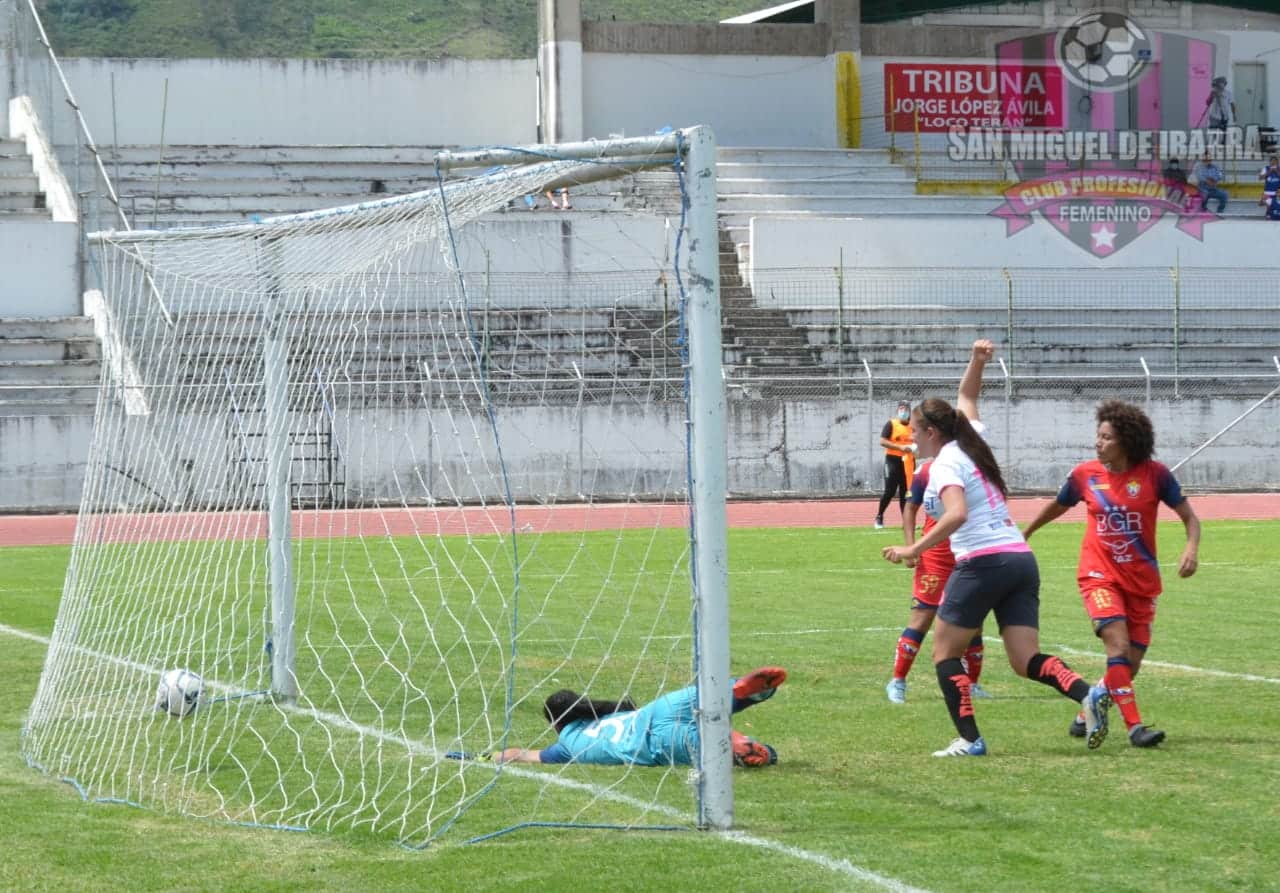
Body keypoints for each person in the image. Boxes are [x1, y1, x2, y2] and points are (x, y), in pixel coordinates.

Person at [882, 340, 1105, 757]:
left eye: (913, 431)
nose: (910, 437)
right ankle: (1087, 693)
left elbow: (956, 515)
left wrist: (914, 548)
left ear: (931, 433)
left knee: (945, 653)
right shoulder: (968, 441)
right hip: (1020, 559)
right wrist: (977, 360)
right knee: (1025, 659)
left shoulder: (947, 461)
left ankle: (970, 740)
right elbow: (967, 396)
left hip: (984, 562)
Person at [1022, 401, 1201, 749]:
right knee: (1116, 645)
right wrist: (1026, 532)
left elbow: (1190, 518)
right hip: (1098, 576)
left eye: (1106, 438)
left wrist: (1190, 548)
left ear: (1127, 441)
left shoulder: (1155, 475)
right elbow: (1058, 505)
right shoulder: (1085, 474)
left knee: (1128, 667)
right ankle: (1135, 729)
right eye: (1098, 436)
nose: (1098, 443)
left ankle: (1085, 709)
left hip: (1142, 582)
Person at [490, 666, 786, 767]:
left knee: (758, 755)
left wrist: (487, 757)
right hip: (656, 710)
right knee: (715, 696)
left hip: (650, 743)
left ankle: (738, 744)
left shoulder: (566, 743)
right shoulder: (611, 713)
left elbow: (522, 755)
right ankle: (741, 690)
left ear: (556, 724)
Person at [885, 455, 991, 704]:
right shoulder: (927, 470)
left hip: (967, 555)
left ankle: (972, 684)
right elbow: (910, 507)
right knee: (922, 618)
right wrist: (912, 548)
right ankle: (898, 681)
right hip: (935, 557)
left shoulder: (973, 468)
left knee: (974, 622)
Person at [874, 400, 917, 529]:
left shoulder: (913, 426)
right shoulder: (891, 424)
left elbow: (919, 441)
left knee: (906, 492)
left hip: (908, 461)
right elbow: (882, 441)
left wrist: (916, 449)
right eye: (901, 409)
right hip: (892, 460)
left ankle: (906, 521)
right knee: (889, 491)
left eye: (905, 409)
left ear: (910, 411)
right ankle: (879, 516)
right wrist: (900, 448)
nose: (903, 411)